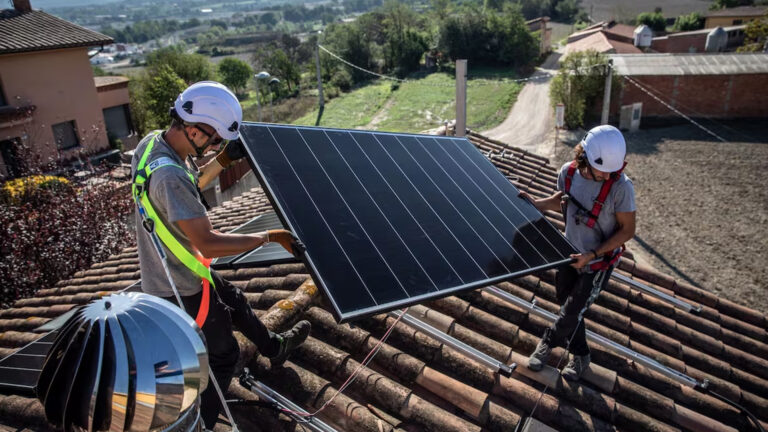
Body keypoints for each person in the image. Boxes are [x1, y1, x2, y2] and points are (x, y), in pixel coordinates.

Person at [131, 81, 311, 427]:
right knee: (223, 358)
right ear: (195, 129)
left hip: (170, 267)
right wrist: (268, 236)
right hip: (180, 287)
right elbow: (208, 243)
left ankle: (274, 348)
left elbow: (189, 185)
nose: (216, 145)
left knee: (235, 299)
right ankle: (201, 422)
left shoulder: (152, 144)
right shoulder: (169, 176)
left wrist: (223, 160)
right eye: (214, 139)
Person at [521, 124, 636, 381]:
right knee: (567, 308)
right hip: (569, 253)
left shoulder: (621, 188)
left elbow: (627, 231)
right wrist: (536, 204)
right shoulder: (568, 173)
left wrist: (593, 254)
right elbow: (562, 199)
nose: (608, 176)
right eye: (602, 170)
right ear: (584, 157)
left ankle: (547, 344)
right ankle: (582, 356)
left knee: (571, 311)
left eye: (614, 171)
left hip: (599, 261)